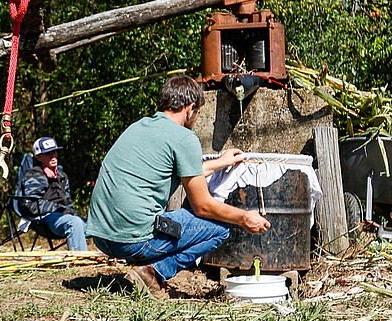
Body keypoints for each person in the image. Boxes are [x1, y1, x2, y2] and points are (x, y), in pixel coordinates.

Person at [86, 75, 271, 297]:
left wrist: (221, 162)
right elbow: (202, 206)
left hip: (103, 238)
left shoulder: (138, 127)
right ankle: (153, 272)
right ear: (190, 108)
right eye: (198, 113)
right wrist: (243, 218)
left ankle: (146, 268)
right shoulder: (184, 137)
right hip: (132, 240)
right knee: (219, 229)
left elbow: (183, 174)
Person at [17, 136, 89, 251]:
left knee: (99, 223)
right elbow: (32, 205)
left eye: (54, 152)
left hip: (64, 216)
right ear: (39, 157)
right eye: (48, 153)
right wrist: (59, 209)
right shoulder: (34, 175)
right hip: (45, 219)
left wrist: (70, 212)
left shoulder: (62, 176)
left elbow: (68, 201)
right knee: (75, 223)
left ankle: (117, 255)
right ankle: (79, 260)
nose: (53, 156)